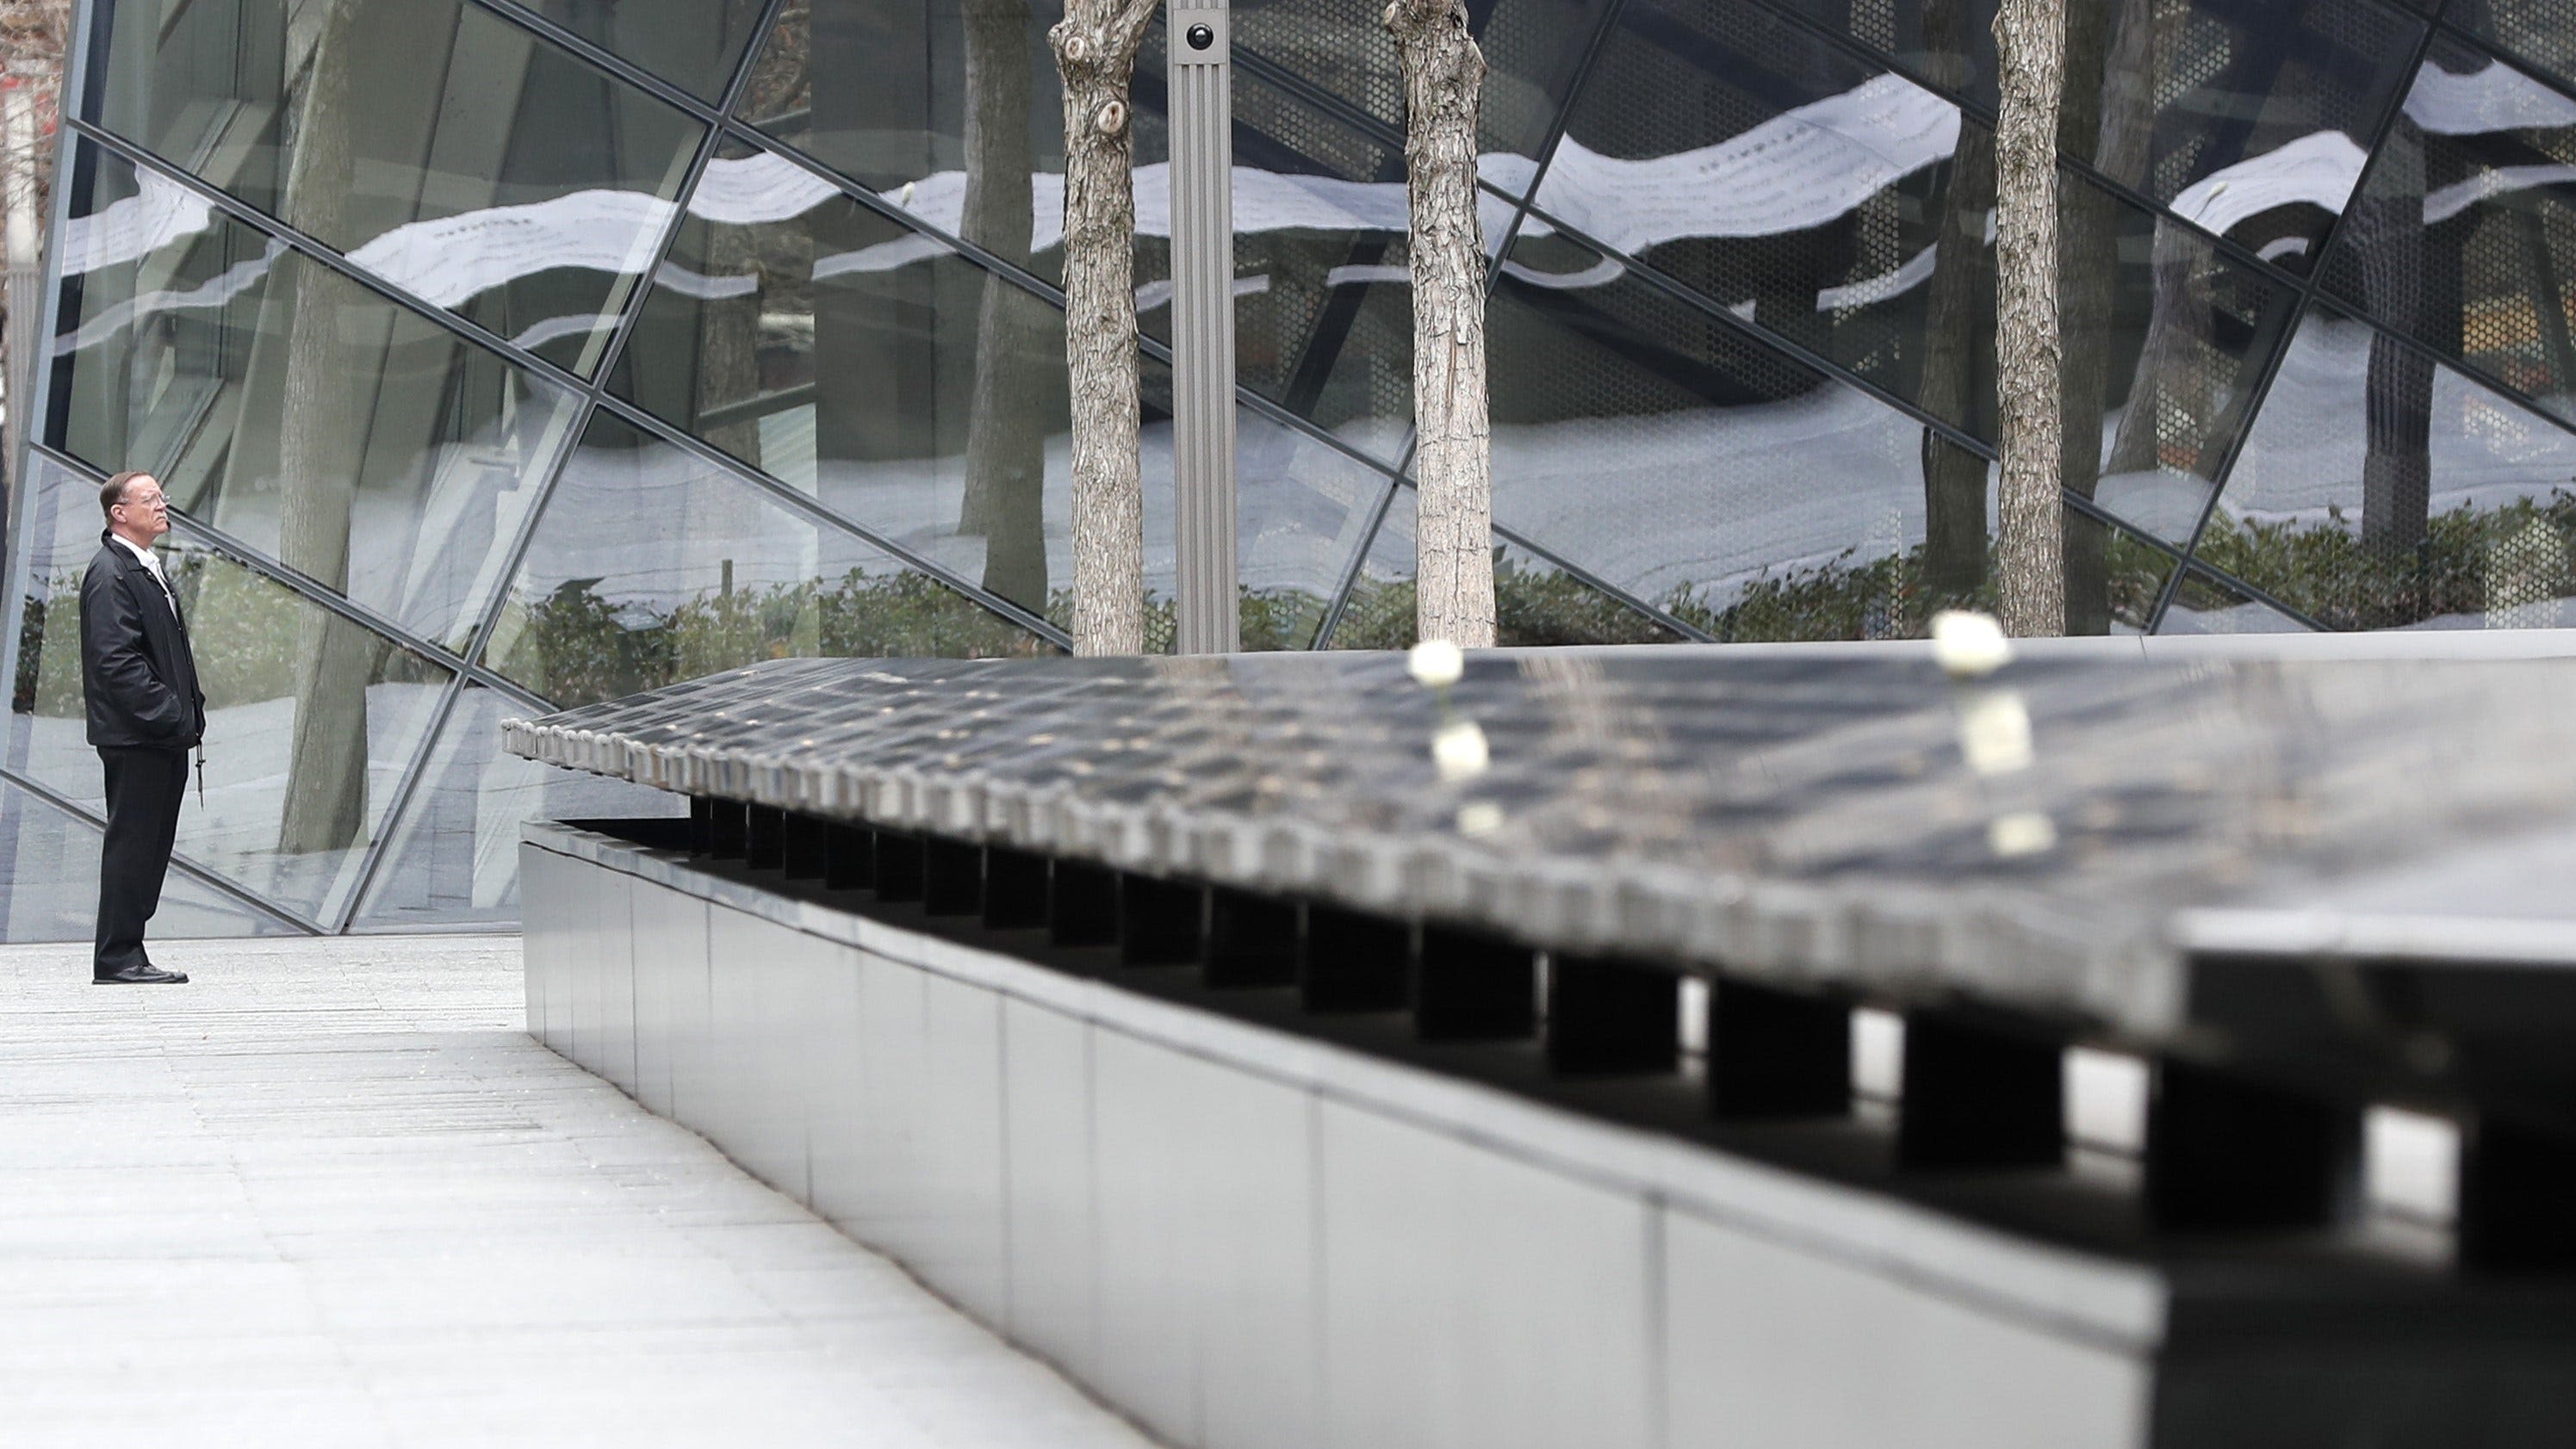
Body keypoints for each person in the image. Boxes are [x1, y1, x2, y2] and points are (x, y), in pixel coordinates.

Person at [81, 471, 203, 985]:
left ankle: (129, 952)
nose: (162, 505)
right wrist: (173, 715)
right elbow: (117, 664)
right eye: (150, 498)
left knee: (148, 847)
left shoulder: (143, 568)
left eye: (161, 497)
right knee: (134, 844)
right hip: (139, 739)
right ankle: (118, 958)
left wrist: (188, 712)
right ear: (119, 513)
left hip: (159, 737)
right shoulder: (111, 573)